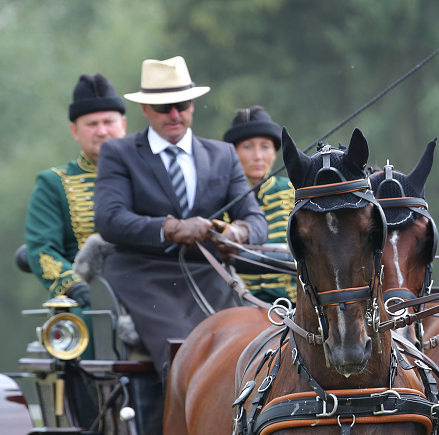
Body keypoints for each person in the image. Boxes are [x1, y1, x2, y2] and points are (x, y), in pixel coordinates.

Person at [94, 56, 267, 375]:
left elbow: (256, 220)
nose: (174, 114)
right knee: (187, 353)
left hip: (210, 274)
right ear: (145, 109)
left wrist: (237, 233)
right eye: (163, 107)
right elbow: (109, 219)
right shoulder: (119, 154)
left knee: (250, 352)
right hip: (143, 275)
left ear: (192, 106)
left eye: (182, 104)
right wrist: (172, 229)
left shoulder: (223, 155)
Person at [25, 73, 127, 308]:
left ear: (123, 125)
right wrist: (73, 285)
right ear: (75, 131)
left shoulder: (151, 173)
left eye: (108, 122)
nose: (102, 131)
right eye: (91, 124)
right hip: (87, 297)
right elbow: (43, 249)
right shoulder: (53, 183)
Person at [223, 106, 296, 304]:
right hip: (236, 304)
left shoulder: (293, 191)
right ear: (234, 152)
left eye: (265, 146)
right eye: (247, 147)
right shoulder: (221, 195)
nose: (258, 156)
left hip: (292, 305)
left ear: (274, 152)